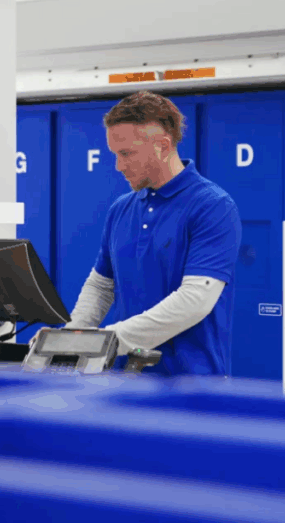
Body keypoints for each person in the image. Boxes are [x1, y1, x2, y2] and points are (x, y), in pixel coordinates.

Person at [61, 91, 241, 377]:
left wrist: (105, 341)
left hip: (190, 384)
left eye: (127, 154)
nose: (118, 166)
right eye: (115, 154)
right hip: (125, 378)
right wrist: (70, 338)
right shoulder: (121, 209)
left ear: (163, 145)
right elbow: (101, 286)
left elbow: (194, 301)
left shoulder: (213, 206)